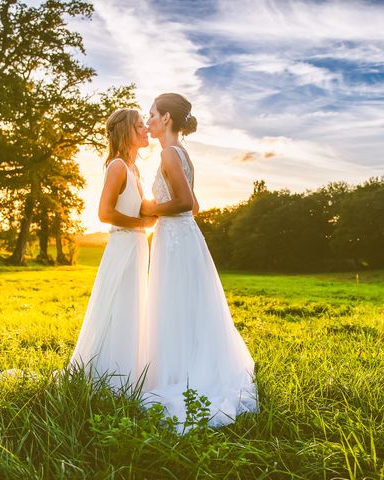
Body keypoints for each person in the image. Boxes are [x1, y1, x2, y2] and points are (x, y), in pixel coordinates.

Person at [140, 93, 259, 428]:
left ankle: (182, 374)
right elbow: (196, 207)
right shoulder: (182, 154)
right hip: (182, 237)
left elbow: (184, 202)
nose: (148, 120)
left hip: (176, 240)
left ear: (166, 119)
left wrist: (149, 209)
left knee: (175, 303)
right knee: (184, 304)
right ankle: (185, 364)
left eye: (152, 114)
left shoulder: (168, 153)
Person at [69, 108, 156, 389]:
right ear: (124, 131)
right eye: (140, 125)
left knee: (132, 308)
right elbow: (104, 213)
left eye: (145, 124)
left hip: (136, 244)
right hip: (123, 245)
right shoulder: (117, 166)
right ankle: (113, 377)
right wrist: (141, 222)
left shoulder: (134, 168)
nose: (145, 130)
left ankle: (128, 370)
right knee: (120, 306)